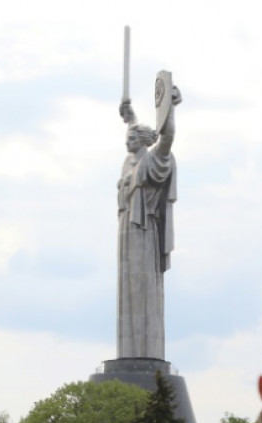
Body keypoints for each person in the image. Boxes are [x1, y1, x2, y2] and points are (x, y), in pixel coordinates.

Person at [116, 88, 180, 359]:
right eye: (127, 136)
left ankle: (146, 355)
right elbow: (136, 136)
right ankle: (128, 355)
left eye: (132, 137)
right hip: (126, 233)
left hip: (145, 233)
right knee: (127, 292)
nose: (127, 140)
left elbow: (167, 137)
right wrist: (131, 119)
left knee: (144, 292)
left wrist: (171, 108)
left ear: (142, 142)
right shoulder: (129, 162)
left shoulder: (155, 160)